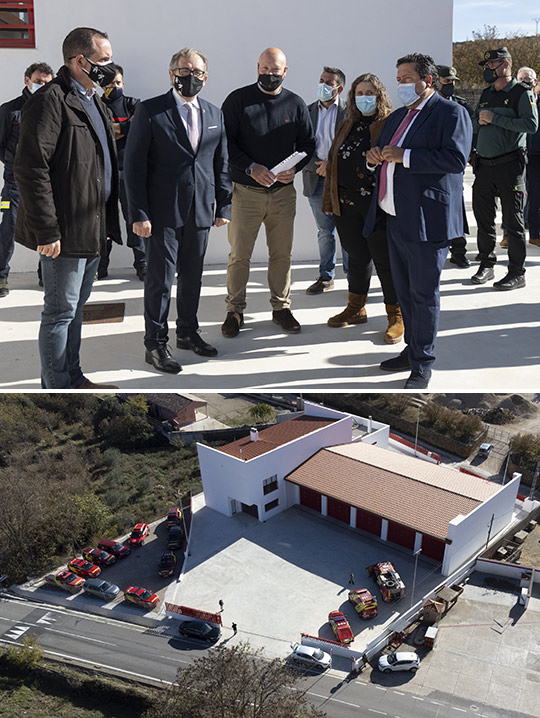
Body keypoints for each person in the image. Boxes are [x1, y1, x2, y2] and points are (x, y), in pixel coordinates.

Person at [14, 27, 121, 390]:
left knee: (75, 311)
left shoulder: (95, 100)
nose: (109, 66)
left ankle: (74, 377)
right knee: (59, 313)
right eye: (104, 60)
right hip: (63, 231)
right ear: (80, 61)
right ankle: (57, 385)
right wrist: (47, 230)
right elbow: (30, 167)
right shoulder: (49, 100)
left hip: (90, 226)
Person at [365, 53, 472, 389]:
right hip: (395, 217)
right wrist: (373, 159)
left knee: (424, 295)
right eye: (398, 78)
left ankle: (423, 364)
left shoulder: (451, 112)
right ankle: (412, 350)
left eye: (407, 78)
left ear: (428, 81)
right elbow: (384, 154)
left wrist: (404, 156)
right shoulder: (398, 116)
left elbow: (455, 159)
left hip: (428, 220)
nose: (401, 85)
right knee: (405, 294)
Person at [125, 48, 231, 374]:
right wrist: (139, 213)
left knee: (193, 277)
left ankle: (187, 331)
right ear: (172, 74)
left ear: (205, 76)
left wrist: (223, 204)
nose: (190, 76)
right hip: (162, 213)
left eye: (197, 71)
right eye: (184, 71)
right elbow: (133, 165)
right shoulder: (151, 110)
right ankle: (155, 343)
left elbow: (220, 164)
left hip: (200, 210)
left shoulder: (214, 114)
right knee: (160, 280)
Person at [220, 47, 315, 338]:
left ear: (285, 71)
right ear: (257, 67)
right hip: (245, 192)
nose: (269, 75)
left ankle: (281, 308)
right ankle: (234, 310)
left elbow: (308, 145)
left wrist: (294, 170)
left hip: (283, 194)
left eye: (276, 70)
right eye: (265, 69)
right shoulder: (238, 100)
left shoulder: (296, 104)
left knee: (282, 255)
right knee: (239, 256)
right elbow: (225, 142)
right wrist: (250, 167)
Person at [322, 73, 403, 344]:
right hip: (346, 203)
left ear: (379, 96)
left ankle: (396, 314)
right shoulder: (347, 123)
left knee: (384, 260)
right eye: (359, 93)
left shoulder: (389, 122)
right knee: (356, 258)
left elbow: (390, 161)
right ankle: (356, 307)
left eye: (370, 93)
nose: (364, 98)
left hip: (375, 205)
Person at [470, 47, 538, 290]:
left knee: (513, 221)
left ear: (506, 65)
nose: (488, 69)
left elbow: (531, 125)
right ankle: (486, 265)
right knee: (484, 220)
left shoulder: (522, 93)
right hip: (484, 167)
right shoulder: (487, 93)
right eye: (487, 65)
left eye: (492, 65)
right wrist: (477, 123)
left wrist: (494, 118)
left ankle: (517, 272)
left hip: (510, 166)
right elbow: (478, 123)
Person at [0, 62, 54, 298]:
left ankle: (46, 276)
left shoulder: (53, 109)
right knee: (7, 230)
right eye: (39, 82)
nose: (42, 86)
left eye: (47, 83)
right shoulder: (10, 110)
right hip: (13, 185)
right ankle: (1, 276)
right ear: (27, 80)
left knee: (48, 230)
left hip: (46, 185)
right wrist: (15, 165)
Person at [302, 66, 347, 295]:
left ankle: (353, 276)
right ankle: (326, 276)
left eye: (328, 82)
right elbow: (299, 146)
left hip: (343, 181)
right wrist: (318, 167)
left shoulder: (350, 114)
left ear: (339, 88)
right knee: (324, 231)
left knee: (348, 229)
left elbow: (352, 147)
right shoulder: (307, 112)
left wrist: (333, 168)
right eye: (321, 80)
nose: (323, 85)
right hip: (315, 179)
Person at [99, 64, 146, 281]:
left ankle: (143, 263)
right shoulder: (95, 105)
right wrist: (124, 128)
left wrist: (110, 129)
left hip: (129, 173)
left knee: (134, 220)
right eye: (109, 83)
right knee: (102, 222)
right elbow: (97, 132)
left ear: (123, 83)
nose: (114, 86)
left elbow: (138, 129)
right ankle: (100, 266)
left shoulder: (133, 104)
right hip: (103, 173)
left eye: (118, 82)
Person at [436, 64, 474, 268]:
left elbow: (472, 131)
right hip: (433, 162)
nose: (450, 84)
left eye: (452, 81)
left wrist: (469, 153)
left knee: (456, 208)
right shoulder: (427, 106)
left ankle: (459, 251)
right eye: (446, 81)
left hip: (453, 166)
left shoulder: (461, 106)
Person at [520, 69, 540, 249]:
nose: (527, 82)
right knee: (516, 196)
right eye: (523, 79)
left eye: (530, 79)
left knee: (535, 196)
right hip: (518, 154)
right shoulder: (515, 100)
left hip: (535, 156)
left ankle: (534, 233)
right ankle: (507, 234)